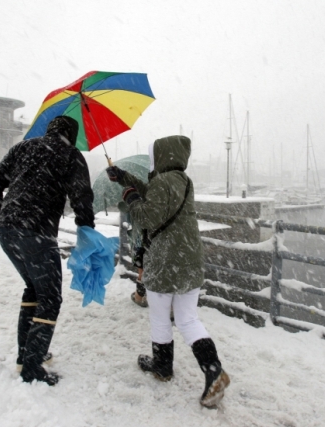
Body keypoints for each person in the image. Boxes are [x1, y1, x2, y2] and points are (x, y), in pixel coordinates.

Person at [107, 135, 230, 407]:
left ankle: (162, 366)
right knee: (188, 319)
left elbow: (147, 216)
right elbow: (154, 195)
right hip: (189, 258)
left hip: (165, 260)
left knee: (161, 317)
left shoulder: (162, 182)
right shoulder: (183, 181)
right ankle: (214, 371)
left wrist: (130, 198)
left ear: (161, 156)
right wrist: (125, 178)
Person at [0, 116, 95, 386]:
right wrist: (87, 235)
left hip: (8, 231)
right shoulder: (71, 155)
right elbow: (82, 199)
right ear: (72, 134)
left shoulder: (23, 147)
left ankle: (27, 356)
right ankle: (32, 366)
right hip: (36, 232)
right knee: (51, 297)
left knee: (34, 289)